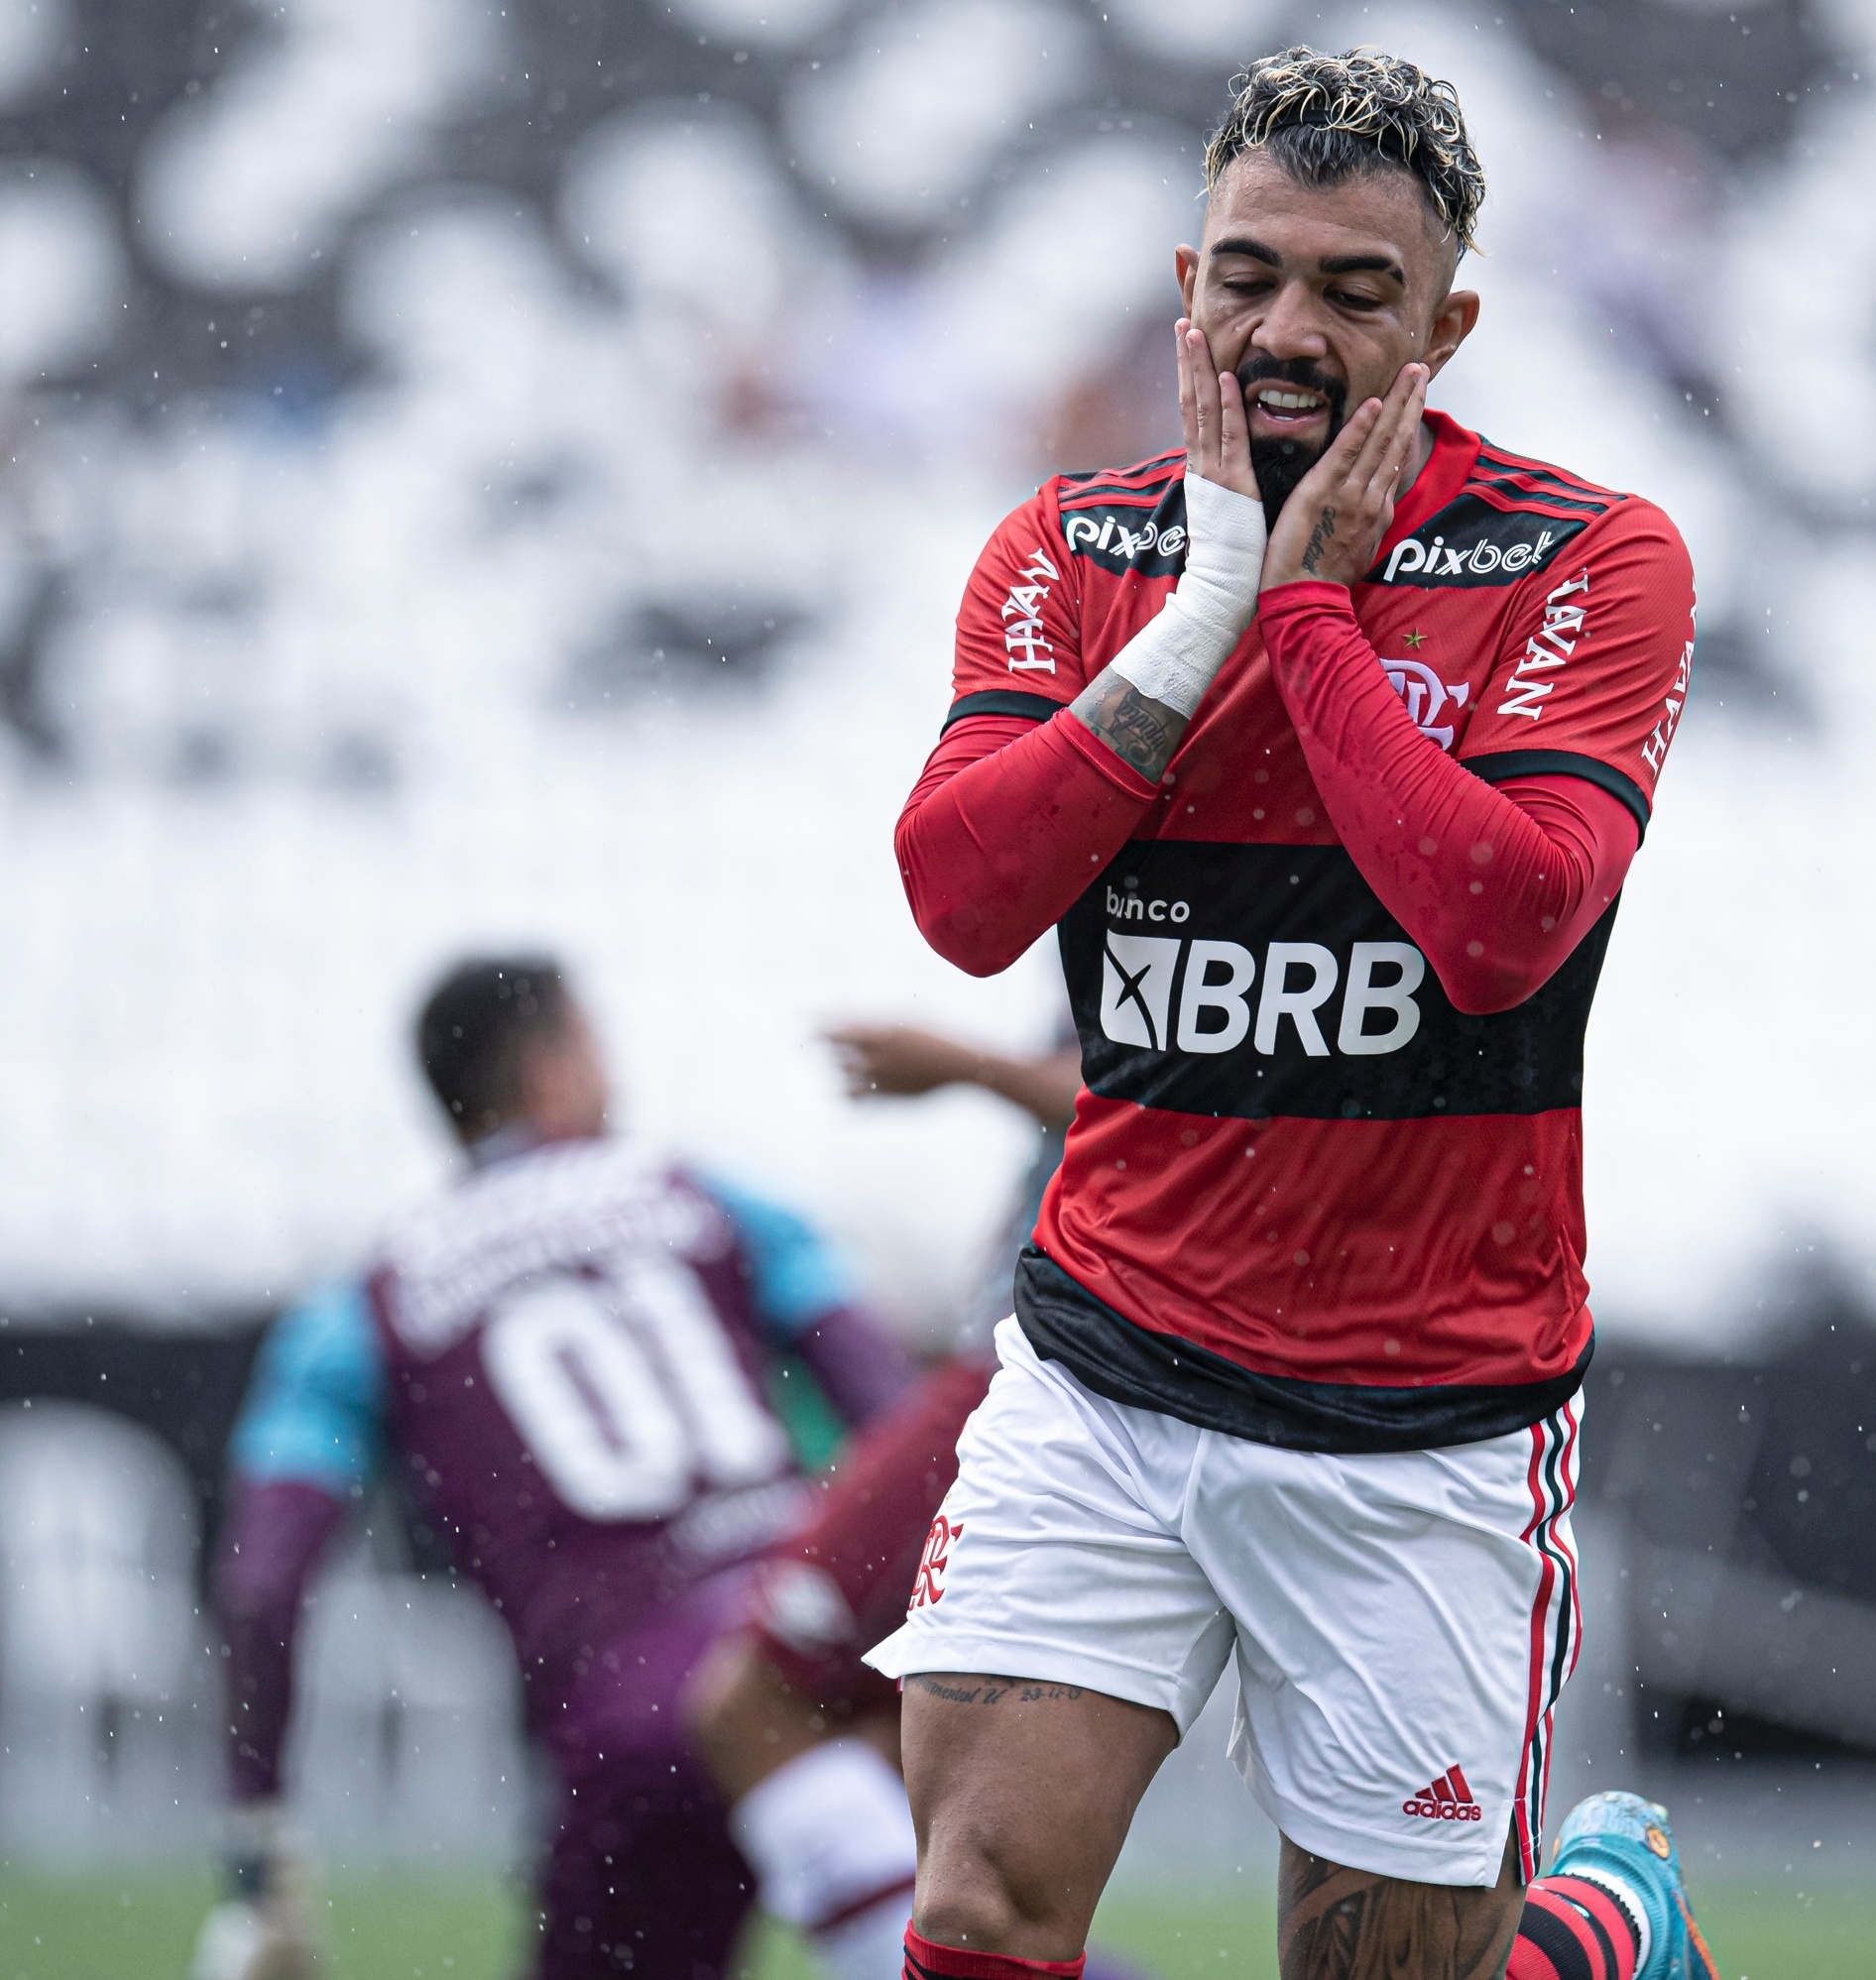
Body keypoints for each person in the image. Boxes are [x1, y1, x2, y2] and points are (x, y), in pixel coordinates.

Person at [875, 45, 1714, 1980]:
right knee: (978, 1909)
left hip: (1416, 1417)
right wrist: (1212, 602)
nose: (1284, 326)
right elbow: (959, 895)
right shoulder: (1074, 552)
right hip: (1107, 1370)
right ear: (1186, 288)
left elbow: (1497, 923)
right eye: (1247, 273)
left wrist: (1314, 618)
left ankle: (1601, 1928)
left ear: (1447, 325)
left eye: (1352, 290)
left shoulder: (1585, 558)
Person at [194, 958, 919, 1980]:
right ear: (550, 1066)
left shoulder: (361, 1304)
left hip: (640, 1721)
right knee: (952, 1953)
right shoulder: (709, 1195)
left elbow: (262, 1584)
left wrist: (256, 1845)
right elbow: (896, 1426)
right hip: (817, 1659)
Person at [684, 1021, 1081, 1980]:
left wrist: (961, 1066)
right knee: (890, 1745)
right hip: (1078, 1361)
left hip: (1035, 1366)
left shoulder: (1192, 883)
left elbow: (1167, 1102)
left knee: (748, 1700)